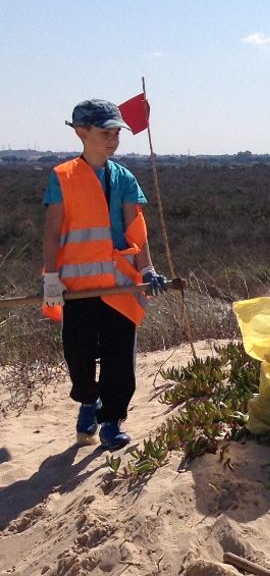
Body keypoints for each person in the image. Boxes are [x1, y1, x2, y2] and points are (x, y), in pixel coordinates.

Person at [41, 100, 168, 452]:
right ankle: (87, 402)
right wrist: (51, 277)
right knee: (79, 355)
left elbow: (136, 230)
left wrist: (147, 268)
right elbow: (52, 232)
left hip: (120, 285)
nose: (112, 140)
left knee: (119, 357)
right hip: (77, 287)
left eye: (116, 133)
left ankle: (111, 421)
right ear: (82, 132)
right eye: (104, 133)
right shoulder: (62, 176)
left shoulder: (125, 178)